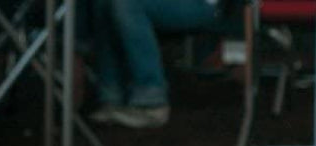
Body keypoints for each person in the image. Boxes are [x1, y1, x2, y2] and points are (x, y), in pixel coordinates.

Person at [89, 0, 224, 129]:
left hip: (201, 5)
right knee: (103, 3)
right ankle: (112, 98)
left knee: (127, 3)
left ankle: (151, 103)